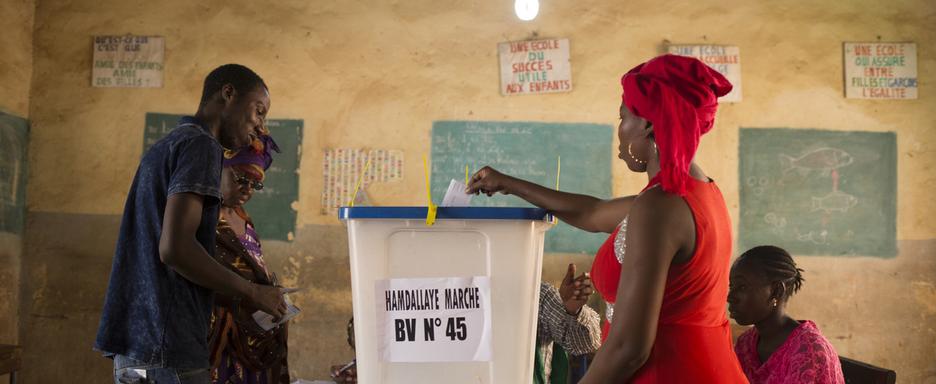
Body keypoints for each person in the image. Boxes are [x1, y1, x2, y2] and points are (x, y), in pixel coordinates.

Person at [467, 54, 748, 383]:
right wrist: (508, 184)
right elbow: (592, 213)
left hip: (670, 371)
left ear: (647, 124)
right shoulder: (698, 192)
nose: (620, 132)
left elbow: (629, 348)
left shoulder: (661, 207)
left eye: (622, 117)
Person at [95, 64, 287, 384]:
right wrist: (252, 292)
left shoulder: (170, 144)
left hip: (138, 343)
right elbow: (176, 249)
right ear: (228, 93)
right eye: (258, 111)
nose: (260, 127)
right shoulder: (202, 146)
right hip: (168, 345)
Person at [328, 264, 602, 384]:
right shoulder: (418, 292)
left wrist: (570, 308)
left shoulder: (534, 294)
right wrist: (364, 372)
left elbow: (586, 343)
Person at [208, 133, 290, 383]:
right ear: (217, 170)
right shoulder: (201, 218)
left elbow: (253, 269)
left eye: (255, 184)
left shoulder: (245, 220)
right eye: (241, 178)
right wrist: (249, 293)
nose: (247, 189)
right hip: (217, 339)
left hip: (254, 338)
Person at [728, 246, 844, 383]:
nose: (730, 297)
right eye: (731, 286)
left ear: (776, 291)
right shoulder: (746, 344)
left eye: (742, 287)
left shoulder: (808, 351)